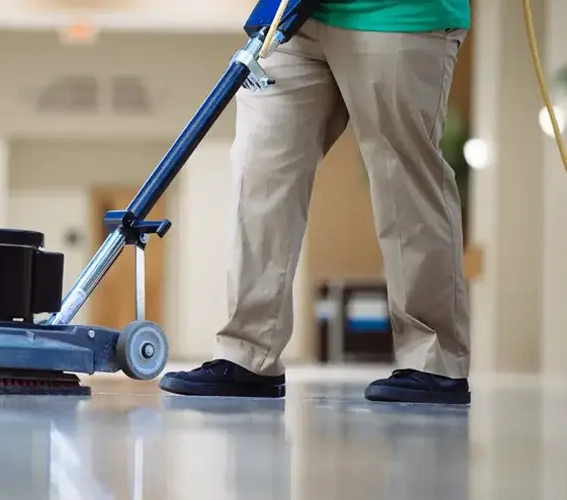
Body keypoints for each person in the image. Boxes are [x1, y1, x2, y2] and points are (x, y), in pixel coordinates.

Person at [159, 0, 472, 405]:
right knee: (260, 173)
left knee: (404, 182)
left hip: (397, 14)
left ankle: (435, 362)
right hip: (293, 19)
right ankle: (248, 351)